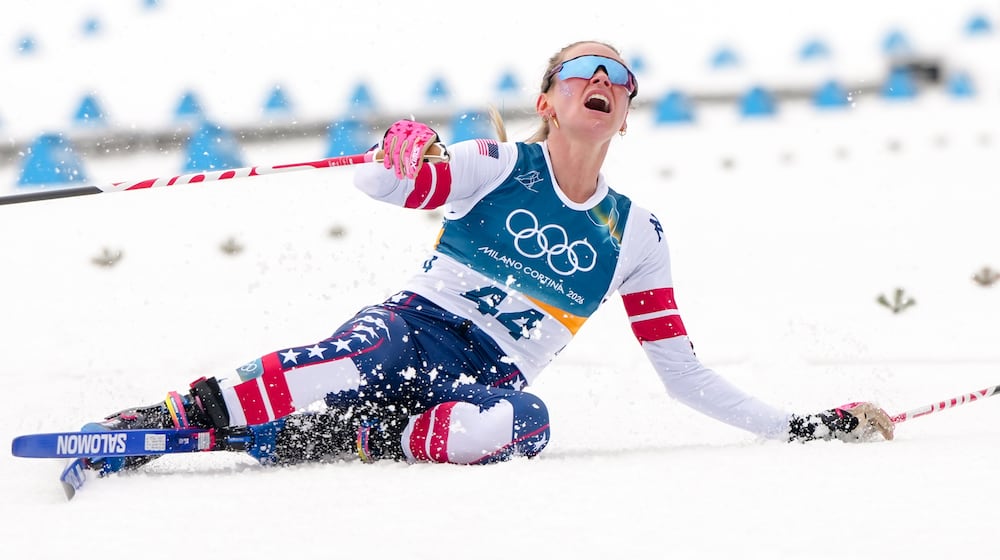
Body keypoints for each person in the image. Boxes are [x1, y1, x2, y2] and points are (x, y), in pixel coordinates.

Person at [82, 40, 894, 476]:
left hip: (489, 377)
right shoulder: (499, 165)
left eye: (620, 77)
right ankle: (175, 417)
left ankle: (359, 439)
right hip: (413, 329)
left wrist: (802, 425)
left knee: (526, 426)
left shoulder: (637, 236)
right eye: (585, 70)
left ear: (624, 115)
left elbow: (683, 376)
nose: (604, 80)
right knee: (357, 357)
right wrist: (393, 150)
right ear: (549, 101)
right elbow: (383, 189)